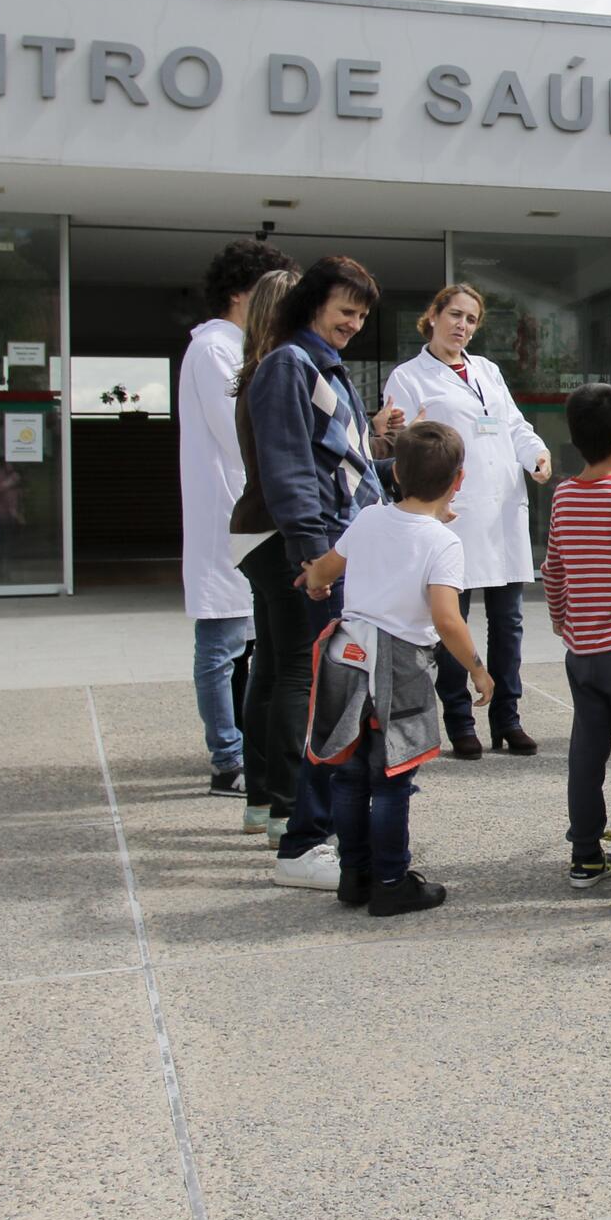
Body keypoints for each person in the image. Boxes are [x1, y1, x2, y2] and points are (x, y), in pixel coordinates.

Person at [229, 255, 391, 891]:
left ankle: (312, 829)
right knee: (327, 695)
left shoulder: (320, 365)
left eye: (362, 314)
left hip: (342, 547)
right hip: (321, 552)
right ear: (312, 304)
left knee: (325, 689)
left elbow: (349, 465)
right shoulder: (288, 368)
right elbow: (290, 469)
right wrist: (313, 556)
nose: (354, 322)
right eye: (345, 309)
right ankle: (303, 841)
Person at [296, 421, 492, 916]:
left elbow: (323, 570)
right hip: (398, 669)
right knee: (391, 778)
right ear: (459, 480)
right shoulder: (443, 543)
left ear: (397, 473)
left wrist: (316, 584)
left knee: (349, 774)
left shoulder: (367, 519)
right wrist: (478, 669)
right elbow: (447, 619)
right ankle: (390, 880)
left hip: (346, 657)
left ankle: (353, 874)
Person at [379, 284, 552, 760]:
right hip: (451, 513)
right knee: (452, 620)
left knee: (509, 623)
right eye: (454, 314)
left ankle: (507, 718)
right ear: (432, 316)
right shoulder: (409, 376)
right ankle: (459, 720)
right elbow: (405, 441)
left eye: (471, 319)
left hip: (501, 512)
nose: (462, 326)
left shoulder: (488, 370)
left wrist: (536, 454)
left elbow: (514, 425)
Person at [179, 238, 294, 808]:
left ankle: (244, 749)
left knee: (246, 644)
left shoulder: (238, 349)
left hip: (243, 511)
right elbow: (240, 434)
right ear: (238, 294)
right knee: (222, 642)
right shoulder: (216, 349)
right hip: (231, 510)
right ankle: (227, 758)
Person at [540, 384, 611, 890]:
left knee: (585, 756)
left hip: (582, 651)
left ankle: (585, 854)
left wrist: (563, 621)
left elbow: (554, 570)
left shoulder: (564, 495)